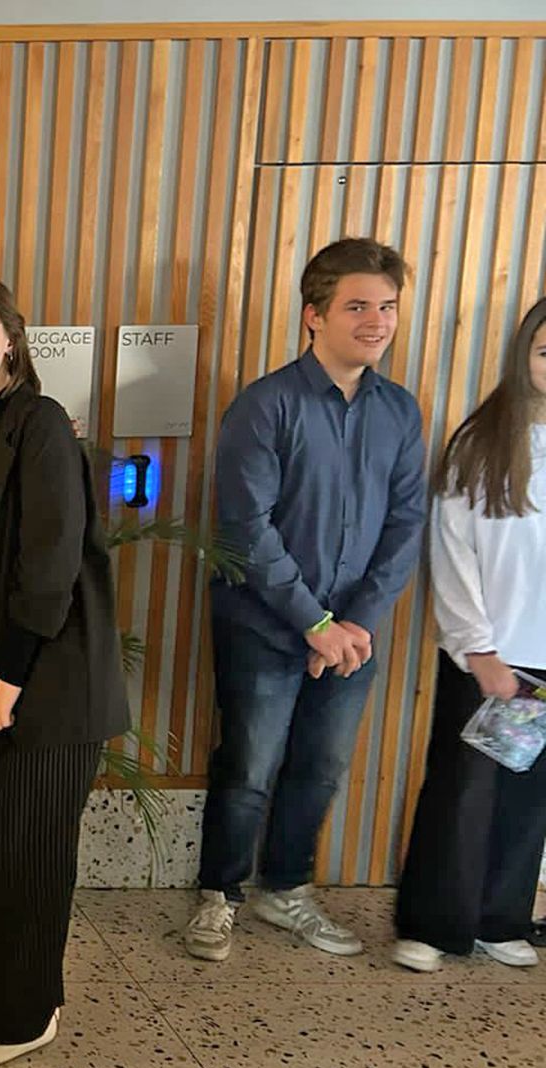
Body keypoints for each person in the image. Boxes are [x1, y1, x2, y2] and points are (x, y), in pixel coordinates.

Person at [188, 238, 426, 962]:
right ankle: (219, 895)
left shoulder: (399, 411)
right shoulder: (266, 405)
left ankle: (285, 890)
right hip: (264, 623)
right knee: (249, 767)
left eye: (387, 307)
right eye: (357, 306)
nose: (376, 321)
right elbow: (246, 529)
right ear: (314, 316)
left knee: (321, 767)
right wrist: (314, 622)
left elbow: (406, 522)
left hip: (353, 632)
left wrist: (354, 623)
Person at [0, 278, 129, 1066]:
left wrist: (10, 679)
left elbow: (49, 562)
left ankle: (17, 1021)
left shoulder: (39, 422)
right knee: (3, 855)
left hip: (46, 685)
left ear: (11, 338)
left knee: (27, 859)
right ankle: (17, 994)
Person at [393, 297, 546, 974]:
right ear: (525, 355)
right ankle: (433, 925)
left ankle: (500, 919)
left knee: (529, 799)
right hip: (487, 655)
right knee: (462, 792)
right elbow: (452, 551)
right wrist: (476, 646)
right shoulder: (481, 444)